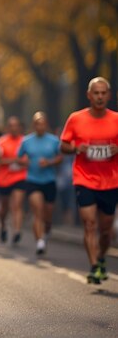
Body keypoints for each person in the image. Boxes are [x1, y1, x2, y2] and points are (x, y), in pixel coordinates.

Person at [60, 77, 118, 284]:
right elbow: (63, 145)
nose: (100, 97)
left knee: (106, 231)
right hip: (84, 179)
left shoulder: (116, 119)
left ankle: (101, 257)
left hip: (111, 181)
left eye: (103, 93)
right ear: (89, 95)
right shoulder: (76, 119)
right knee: (90, 224)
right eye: (96, 93)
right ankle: (94, 266)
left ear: (109, 96)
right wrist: (76, 148)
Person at [17, 112, 62, 255]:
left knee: (48, 215)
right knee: (38, 210)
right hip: (32, 180)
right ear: (33, 125)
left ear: (46, 125)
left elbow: (60, 158)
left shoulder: (54, 140)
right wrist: (24, 162)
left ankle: (47, 230)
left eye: (42, 123)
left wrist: (49, 162)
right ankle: (40, 242)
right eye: (37, 123)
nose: (40, 126)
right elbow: (19, 159)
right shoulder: (26, 141)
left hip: (49, 181)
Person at [0, 116, 27, 245]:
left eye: (16, 125)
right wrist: (12, 160)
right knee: (4, 207)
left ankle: (17, 231)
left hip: (20, 177)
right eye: (11, 125)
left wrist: (23, 163)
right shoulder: (1, 142)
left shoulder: (25, 141)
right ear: (7, 128)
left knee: (17, 204)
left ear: (19, 127)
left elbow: (29, 159)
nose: (14, 128)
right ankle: (3, 226)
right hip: (4, 179)